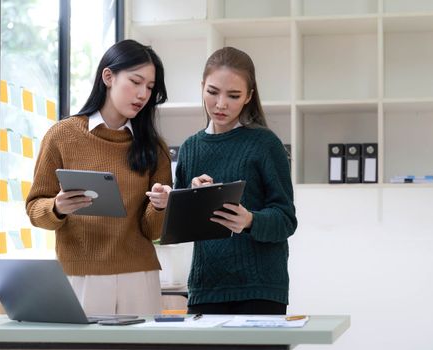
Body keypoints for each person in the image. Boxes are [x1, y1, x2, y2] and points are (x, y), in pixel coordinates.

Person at [26, 39, 172, 315]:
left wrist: (161, 206)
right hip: (80, 276)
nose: (143, 94)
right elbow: (34, 210)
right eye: (136, 81)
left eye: (150, 88)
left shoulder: (154, 148)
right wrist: (57, 207)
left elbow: (153, 231)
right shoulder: (62, 135)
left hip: (138, 276)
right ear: (108, 76)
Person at [175, 47, 297, 315]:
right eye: (212, 92)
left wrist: (249, 221)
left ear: (249, 97)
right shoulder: (190, 148)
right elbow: (180, 228)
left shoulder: (266, 144)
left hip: (261, 289)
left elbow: (286, 219)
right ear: (202, 87)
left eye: (233, 96)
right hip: (206, 287)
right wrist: (190, 197)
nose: (221, 104)